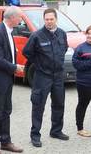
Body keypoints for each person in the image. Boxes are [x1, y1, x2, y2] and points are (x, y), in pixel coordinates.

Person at [22, 8, 69, 148]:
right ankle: (35, 135)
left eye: (51, 19)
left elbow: (64, 48)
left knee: (59, 104)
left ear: (56, 19)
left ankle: (56, 131)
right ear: (44, 20)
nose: (49, 22)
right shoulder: (37, 35)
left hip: (58, 76)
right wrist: (39, 64)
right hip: (42, 76)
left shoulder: (62, 34)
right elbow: (27, 52)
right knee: (38, 105)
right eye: (46, 19)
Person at [0, 6, 24, 154]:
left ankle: (6, 142)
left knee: (6, 111)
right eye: (19, 17)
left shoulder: (8, 31)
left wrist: (14, 66)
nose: (20, 20)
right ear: (12, 18)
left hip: (7, 78)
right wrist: (15, 67)